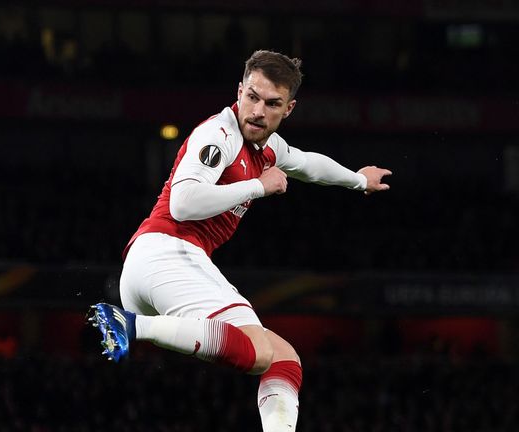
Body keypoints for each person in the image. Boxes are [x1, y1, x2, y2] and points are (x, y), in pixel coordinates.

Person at [87, 49, 391, 431]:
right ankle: (129, 325)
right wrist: (257, 186)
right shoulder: (219, 134)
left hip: (155, 268)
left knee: (283, 358)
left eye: (271, 103)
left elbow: (307, 164)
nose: (258, 111)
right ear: (239, 90)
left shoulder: (267, 147)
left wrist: (358, 179)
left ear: (289, 109)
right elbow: (183, 203)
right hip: (167, 251)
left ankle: (135, 325)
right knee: (260, 351)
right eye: (251, 96)